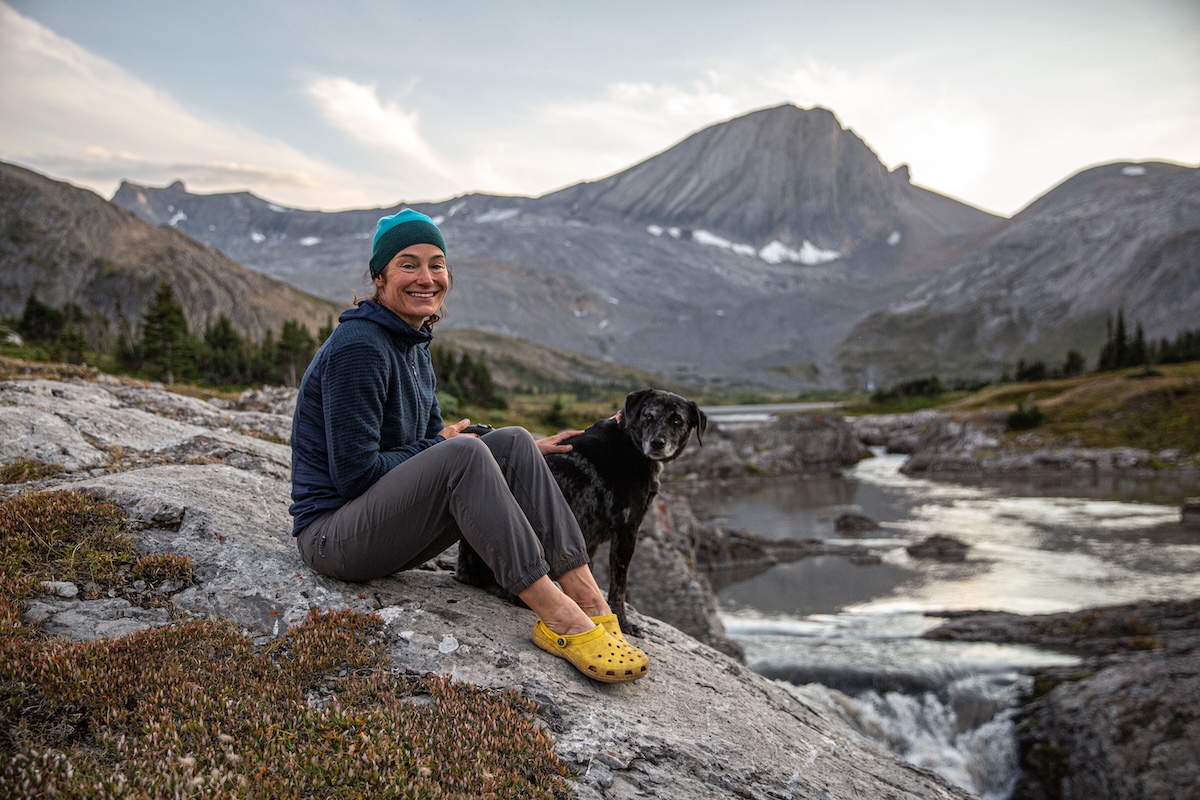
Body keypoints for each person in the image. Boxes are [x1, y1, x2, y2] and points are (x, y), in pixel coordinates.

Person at [289, 209, 648, 683]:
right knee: (464, 452)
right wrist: (445, 445)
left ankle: (586, 594)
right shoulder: (361, 346)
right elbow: (358, 474)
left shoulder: (413, 341)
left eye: (436, 264)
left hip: (382, 526)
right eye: (408, 264)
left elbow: (438, 438)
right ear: (379, 277)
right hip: (334, 538)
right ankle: (557, 616)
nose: (426, 277)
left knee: (515, 441)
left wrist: (511, 452)